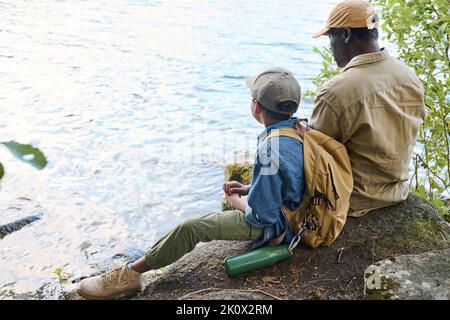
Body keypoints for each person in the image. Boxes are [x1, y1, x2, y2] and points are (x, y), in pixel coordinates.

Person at [77, 67, 306, 299]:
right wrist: (250, 188)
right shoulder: (298, 131)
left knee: (191, 228)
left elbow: (261, 217)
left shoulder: (270, 148)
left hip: (277, 225)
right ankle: (134, 268)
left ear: (256, 106)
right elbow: (289, 178)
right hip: (298, 211)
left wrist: (236, 201)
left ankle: (129, 277)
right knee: (192, 226)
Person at [310, 0, 425, 217]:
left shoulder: (335, 92)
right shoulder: (410, 78)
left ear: (345, 35)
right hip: (396, 192)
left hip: (352, 200)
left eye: (330, 37)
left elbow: (313, 159)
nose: (330, 46)